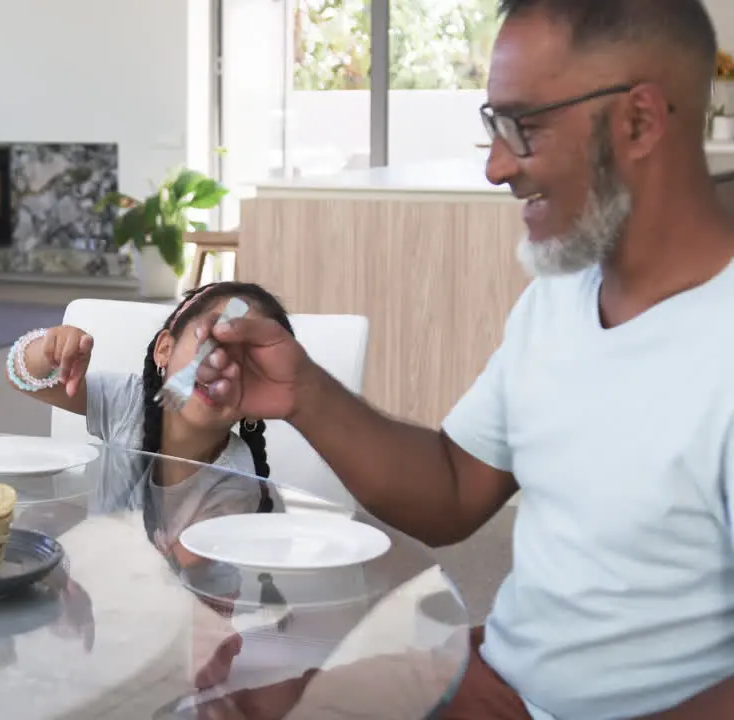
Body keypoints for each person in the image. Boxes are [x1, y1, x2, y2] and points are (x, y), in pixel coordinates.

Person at [188, 1, 734, 718]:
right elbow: (452, 489)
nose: (495, 167)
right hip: (500, 680)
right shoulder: (560, 299)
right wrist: (305, 393)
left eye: (524, 128)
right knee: (245, 692)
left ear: (638, 121)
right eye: (492, 126)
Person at [5, 281, 289, 567]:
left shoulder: (236, 482)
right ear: (165, 349)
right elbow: (25, 379)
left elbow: (176, 580)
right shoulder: (129, 401)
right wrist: (49, 351)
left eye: (251, 366)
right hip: (96, 578)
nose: (222, 367)